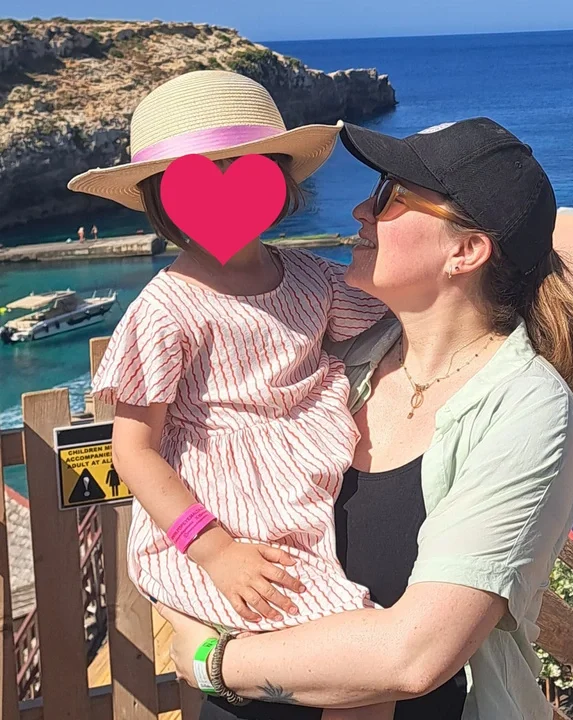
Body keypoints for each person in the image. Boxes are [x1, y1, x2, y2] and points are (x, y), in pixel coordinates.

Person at [158, 118, 573, 720]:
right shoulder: (332, 358)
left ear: (466, 251)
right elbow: (181, 472)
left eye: (391, 195)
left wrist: (214, 661)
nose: (361, 209)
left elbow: (414, 656)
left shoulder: (526, 410)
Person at [67, 70, 394, 720]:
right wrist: (215, 551)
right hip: (220, 529)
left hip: (299, 511)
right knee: (359, 667)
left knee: (359, 673)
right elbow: (133, 450)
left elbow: (393, 322)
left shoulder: (310, 278)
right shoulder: (167, 310)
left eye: (243, 174)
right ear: (164, 200)